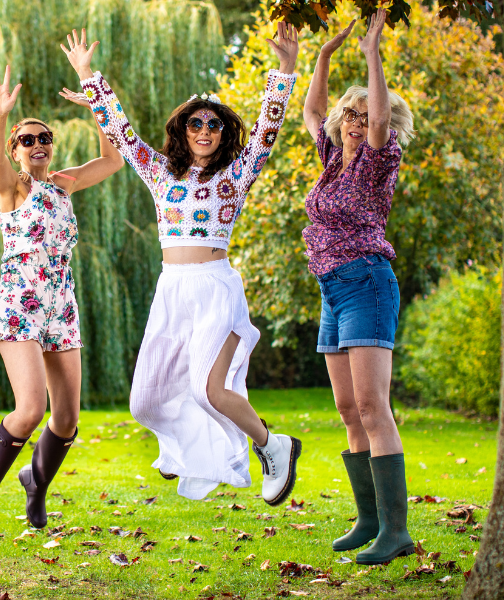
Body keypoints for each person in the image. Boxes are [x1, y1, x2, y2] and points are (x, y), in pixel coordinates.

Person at [65, 26, 301, 504]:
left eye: (214, 125)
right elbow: (121, 134)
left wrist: (286, 68)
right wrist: (89, 76)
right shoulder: (159, 172)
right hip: (172, 288)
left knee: (208, 390)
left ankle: (273, 446)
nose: (205, 131)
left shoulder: (237, 175)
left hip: (215, 287)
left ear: (223, 133)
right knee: (144, 401)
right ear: (182, 129)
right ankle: (186, 451)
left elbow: (267, 132)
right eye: (196, 123)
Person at [0, 63, 124, 538]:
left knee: (67, 419)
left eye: (44, 137)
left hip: (61, 303)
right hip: (21, 300)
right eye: (28, 139)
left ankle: (35, 483)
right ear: (17, 150)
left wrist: (99, 104)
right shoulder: (14, 187)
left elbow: (114, 159)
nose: (38, 144)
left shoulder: (64, 183)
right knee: (30, 408)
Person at [302, 9, 416, 565]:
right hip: (332, 291)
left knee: (373, 405)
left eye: (364, 114)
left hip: (367, 282)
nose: (353, 120)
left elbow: (375, 123)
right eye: (348, 114)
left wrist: (371, 53)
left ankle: (396, 532)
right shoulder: (330, 162)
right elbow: (312, 110)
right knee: (348, 408)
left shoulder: (378, 160)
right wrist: (322, 58)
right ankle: (369, 519)